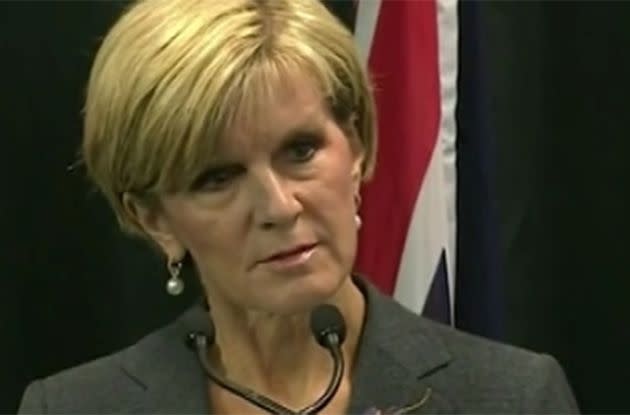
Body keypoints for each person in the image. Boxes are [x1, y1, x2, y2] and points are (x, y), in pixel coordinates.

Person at [18, 0, 579, 413]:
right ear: (154, 218)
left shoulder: (513, 398)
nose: (279, 207)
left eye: (301, 150)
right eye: (218, 177)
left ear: (355, 148)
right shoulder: (73, 408)